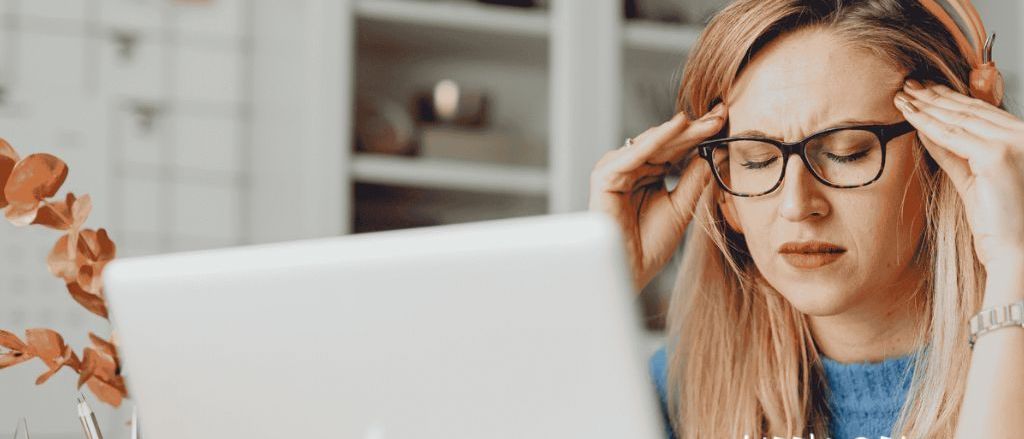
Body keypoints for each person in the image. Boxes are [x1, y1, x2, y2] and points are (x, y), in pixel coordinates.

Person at [588, 0, 1024, 438]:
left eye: (846, 153)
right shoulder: (680, 390)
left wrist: (1013, 260)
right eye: (757, 161)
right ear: (724, 195)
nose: (797, 205)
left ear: (946, 161)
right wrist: (603, 285)